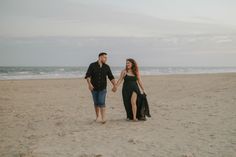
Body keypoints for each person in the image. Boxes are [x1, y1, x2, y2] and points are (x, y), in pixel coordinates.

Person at [85, 52, 116, 124]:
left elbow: (111, 77)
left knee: (101, 102)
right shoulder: (92, 65)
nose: (106, 59)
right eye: (105, 57)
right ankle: (97, 117)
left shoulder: (107, 67)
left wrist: (115, 85)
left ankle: (103, 118)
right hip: (93, 88)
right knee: (96, 103)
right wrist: (89, 84)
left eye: (106, 58)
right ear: (100, 57)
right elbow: (88, 76)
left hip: (103, 88)